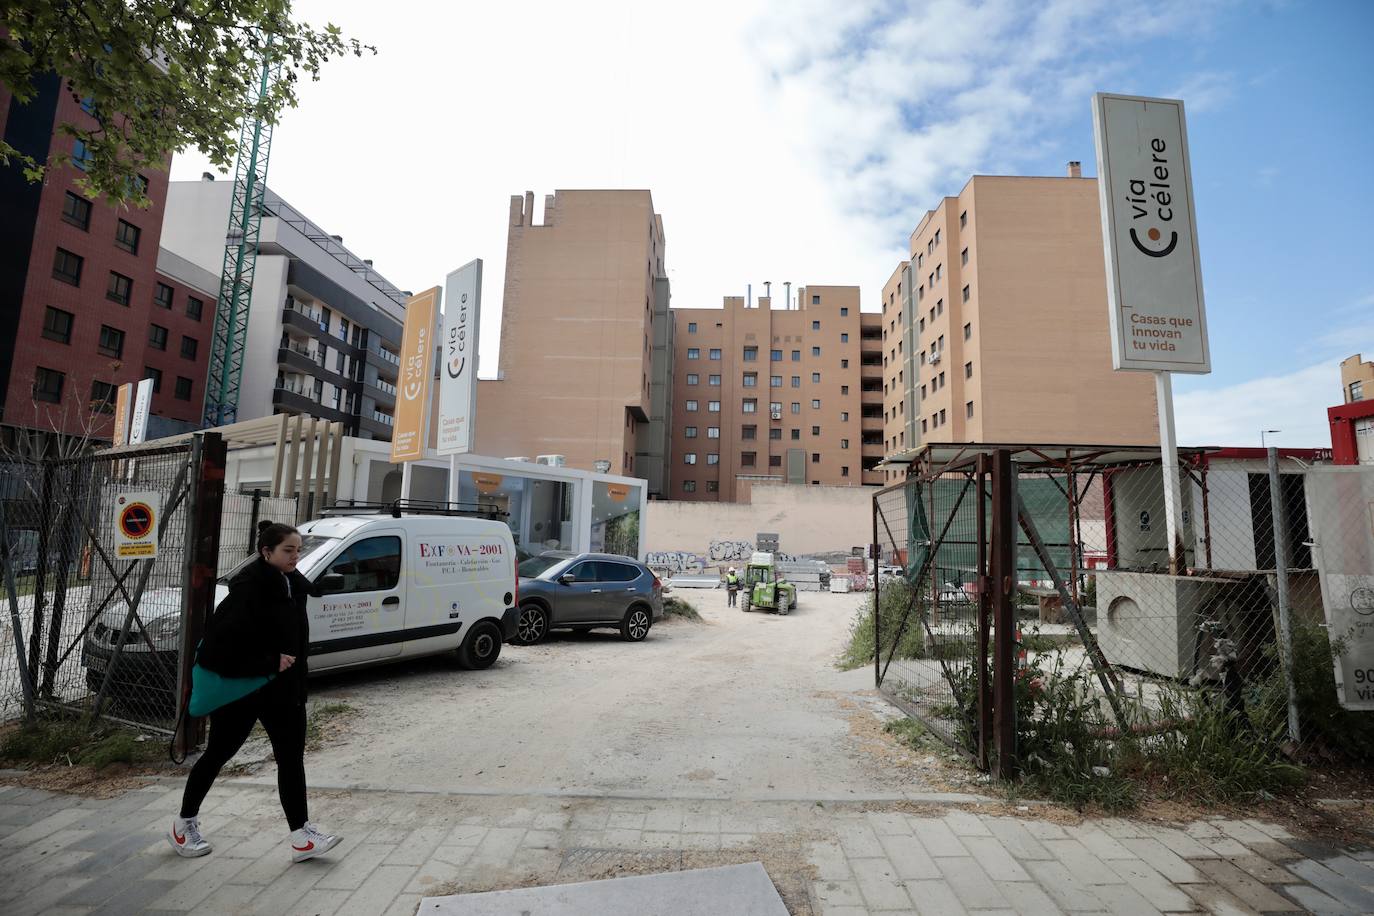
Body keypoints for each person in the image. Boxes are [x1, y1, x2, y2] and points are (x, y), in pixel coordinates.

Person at [167, 521, 342, 863]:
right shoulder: (248, 591)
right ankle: (183, 823)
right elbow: (219, 649)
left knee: (291, 759)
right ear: (267, 552)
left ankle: (301, 836)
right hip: (245, 688)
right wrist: (269, 662)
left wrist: (294, 679)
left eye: (298, 550)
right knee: (218, 754)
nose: (296, 556)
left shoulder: (291, 584)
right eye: (288, 550)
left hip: (284, 690)